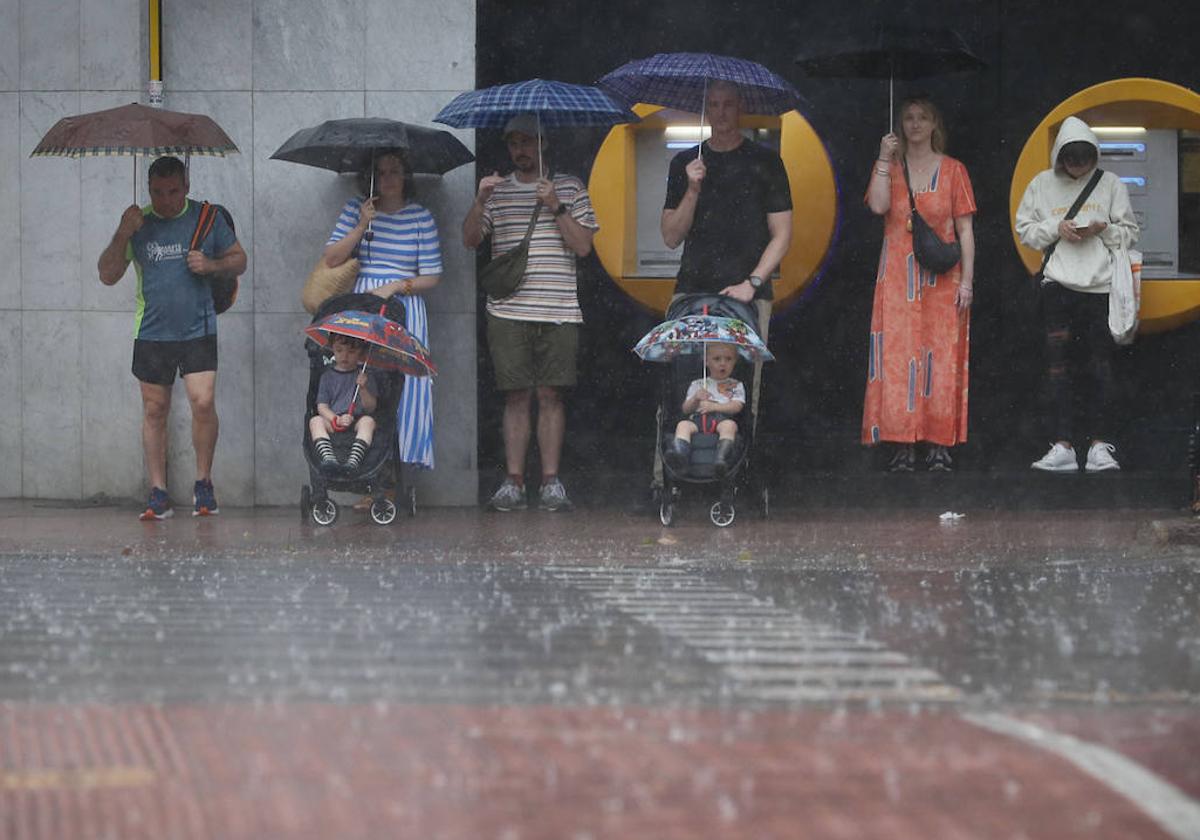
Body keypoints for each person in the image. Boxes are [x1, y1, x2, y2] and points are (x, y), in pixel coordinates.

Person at [652, 80, 791, 493]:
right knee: (677, 383)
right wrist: (693, 189)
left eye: (729, 104)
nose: (722, 112)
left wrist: (753, 282)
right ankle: (665, 478)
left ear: (741, 108)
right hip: (691, 290)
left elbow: (782, 234)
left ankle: (737, 477)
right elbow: (670, 236)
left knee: (744, 387)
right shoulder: (684, 164)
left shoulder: (766, 162)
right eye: (713, 105)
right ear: (706, 110)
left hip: (747, 296)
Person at [462, 113, 599, 512]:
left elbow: (584, 247)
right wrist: (480, 200)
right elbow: (470, 240)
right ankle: (515, 481)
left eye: (527, 142)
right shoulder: (497, 188)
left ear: (544, 143)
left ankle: (551, 482)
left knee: (551, 394)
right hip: (508, 310)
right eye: (514, 143)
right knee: (516, 396)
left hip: (558, 308)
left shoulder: (570, 186)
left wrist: (556, 205)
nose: (520, 150)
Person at [97, 155, 247, 520]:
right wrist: (122, 232)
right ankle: (159, 491)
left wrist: (211, 265)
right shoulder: (138, 222)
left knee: (203, 402)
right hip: (152, 331)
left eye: (173, 191)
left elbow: (239, 260)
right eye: (158, 192)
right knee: (154, 410)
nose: (165, 200)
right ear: (149, 190)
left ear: (187, 187)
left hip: (199, 328)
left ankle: (204, 484)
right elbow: (107, 274)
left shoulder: (206, 218)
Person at [1016, 116, 1139, 473]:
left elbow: (1130, 232)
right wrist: (1057, 228)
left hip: (1100, 286)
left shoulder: (1111, 184)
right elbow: (1025, 231)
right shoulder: (1041, 184)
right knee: (1058, 369)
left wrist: (1102, 230)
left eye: (1084, 158)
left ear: (1094, 156)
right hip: (1057, 285)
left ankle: (1100, 444)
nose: (1078, 165)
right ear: (1059, 157)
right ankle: (1063, 443)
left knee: (1100, 367)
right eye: (1071, 158)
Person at [862, 96, 977, 472]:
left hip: (942, 279)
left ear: (934, 126)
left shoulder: (954, 169)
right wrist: (882, 157)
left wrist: (968, 282)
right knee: (897, 359)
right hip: (897, 277)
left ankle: (938, 443)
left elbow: (965, 230)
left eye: (922, 118)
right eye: (908, 118)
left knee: (939, 359)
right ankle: (901, 443)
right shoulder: (891, 168)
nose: (914, 124)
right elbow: (878, 207)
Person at [323, 149, 441, 473]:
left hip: (405, 307)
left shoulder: (421, 217)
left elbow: (431, 275)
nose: (388, 178)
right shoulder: (356, 210)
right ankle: (366, 469)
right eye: (382, 171)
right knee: (364, 382)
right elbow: (332, 258)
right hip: (364, 307)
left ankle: (397, 474)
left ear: (406, 177)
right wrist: (362, 223)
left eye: (395, 171)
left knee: (406, 387)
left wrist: (396, 286)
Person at [664, 342, 745, 478]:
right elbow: (685, 409)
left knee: (730, 426)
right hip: (698, 420)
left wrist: (714, 406)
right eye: (717, 359)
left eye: (728, 359)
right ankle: (680, 455)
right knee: (683, 425)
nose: (723, 363)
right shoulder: (698, 384)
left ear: (734, 362)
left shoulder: (735, 385)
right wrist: (696, 398)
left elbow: (737, 406)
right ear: (706, 362)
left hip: (721, 420)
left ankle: (721, 458)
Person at [308, 334, 379, 470]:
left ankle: (354, 460)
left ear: (361, 353)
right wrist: (336, 419)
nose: (345, 356)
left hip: (356, 421)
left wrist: (363, 388)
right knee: (315, 421)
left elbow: (371, 407)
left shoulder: (364, 376)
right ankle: (328, 458)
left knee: (368, 422)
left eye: (351, 352)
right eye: (339, 350)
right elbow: (322, 407)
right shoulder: (327, 377)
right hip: (333, 420)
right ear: (332, 349)